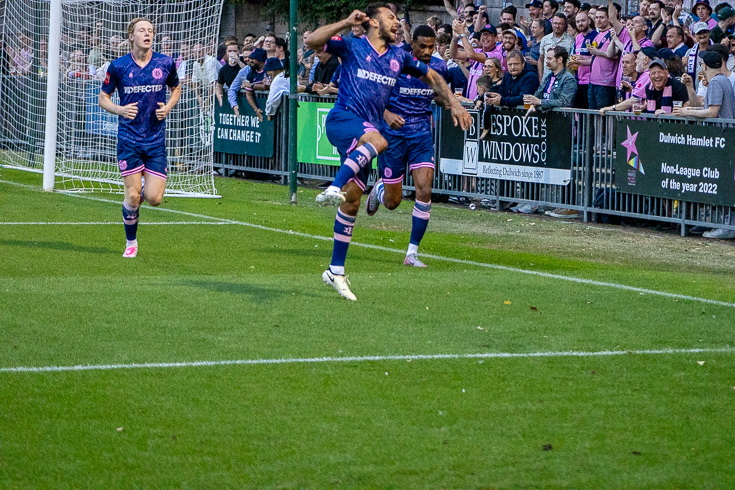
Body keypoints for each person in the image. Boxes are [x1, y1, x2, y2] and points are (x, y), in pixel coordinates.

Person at [306, 5, 471, 301]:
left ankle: (335, 270)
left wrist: (454, 102)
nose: (397, 23)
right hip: (344, 120)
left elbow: (433, 76)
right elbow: (311, 41)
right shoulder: (352, 45)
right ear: (373, 21)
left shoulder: (399, 57)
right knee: (379, 141)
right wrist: (345, 22)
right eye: (391, 18)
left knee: (353, 202)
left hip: (367, 135)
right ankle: (332, 187)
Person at [365, 25, 454, 267]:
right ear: (411, 43)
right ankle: (380, 190)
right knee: (393, 203)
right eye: (422, 46)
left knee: (424, 189)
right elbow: (371, 95)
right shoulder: (393, 62)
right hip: (393, 135)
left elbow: (434, 92)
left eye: (431, 47)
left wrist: (446, 101)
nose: (427, 51)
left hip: (421, 134)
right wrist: (386, 114)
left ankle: (412, 253)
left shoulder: (438, 66)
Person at [98, 17, 181, 258]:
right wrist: (120, 109)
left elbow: (176, 88)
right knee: (133, 195)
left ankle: (136, 199)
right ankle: (131, 242)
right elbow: (103, 98)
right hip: (129, 139)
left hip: (155, 140)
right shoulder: (118, 66)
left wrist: (168, 107)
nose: (147, 34)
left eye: (151, 30)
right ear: (131, 36)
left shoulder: (165, 63)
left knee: (154, 198)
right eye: (142, 30)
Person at [568, 10, 597, 107]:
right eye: (578, 22)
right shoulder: (578, 37)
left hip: (591, 80)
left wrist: (581, 60)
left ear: (589, 21)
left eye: (583, 20)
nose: (580, 23)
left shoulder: (596, 36)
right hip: (578, 80)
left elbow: (596, 60)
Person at [538, 13, 575, 80]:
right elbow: (541, 59)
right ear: (552, 23)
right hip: (546, 79)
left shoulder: (571, 41)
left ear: (564, 25)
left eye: (560, 24)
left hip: (563, 80)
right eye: (555, 23)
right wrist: (540, 78)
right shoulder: (545, 39)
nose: (557, 26)